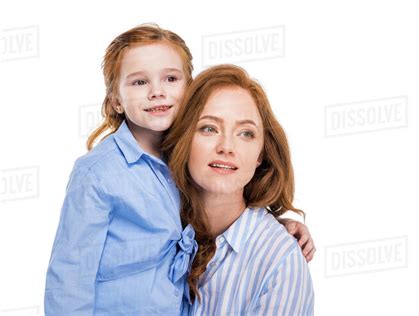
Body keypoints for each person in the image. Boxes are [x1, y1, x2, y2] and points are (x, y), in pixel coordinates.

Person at [45, 24, 314, 315]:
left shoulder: (180, 162)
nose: (157, 92)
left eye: (171, 79)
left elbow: (222, 206)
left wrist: (277, 224)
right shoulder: (99, 173)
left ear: (189, 90)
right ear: (115, 101)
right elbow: (69, 278)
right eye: (139, 82)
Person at [164, 64, 314, 315]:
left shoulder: (280, 261)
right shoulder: (156, 225)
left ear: (260, 155)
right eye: (209, 128)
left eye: (246, 133)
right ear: (183, 138)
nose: (226, 147)